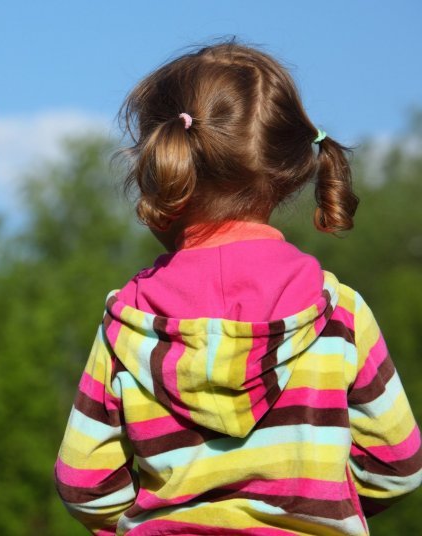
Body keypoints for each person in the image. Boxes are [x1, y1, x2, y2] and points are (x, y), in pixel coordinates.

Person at [53, 40, 422, 535]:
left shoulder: (128, 322)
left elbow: (84, 483)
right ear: (287, 169)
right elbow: (398, 466)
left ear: (164, 167)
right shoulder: (339, 314)